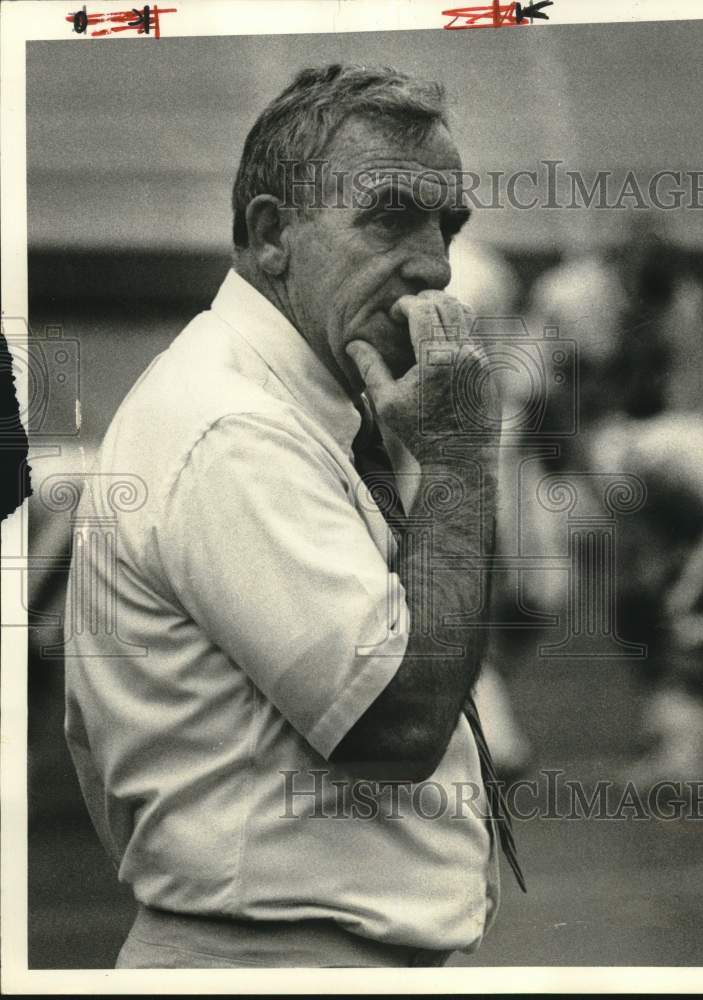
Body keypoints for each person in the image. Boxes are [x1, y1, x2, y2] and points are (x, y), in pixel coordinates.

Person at [63, 64, 523, 969]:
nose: (434, 262)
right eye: (390, 215)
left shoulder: (290, 404)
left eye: (448, 226)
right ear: (272, 234)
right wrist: (464, 461)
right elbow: (396, 729)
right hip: (278, 959)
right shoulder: (236, 427)